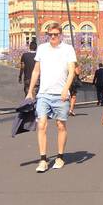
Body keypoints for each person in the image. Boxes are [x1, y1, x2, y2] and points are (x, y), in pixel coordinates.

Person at [27, 22, 76, 173]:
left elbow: (72, 71)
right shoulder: (42, 49)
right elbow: (36, 71)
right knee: (41, 124)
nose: (53, 37)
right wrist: (30, 91)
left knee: (60, 125)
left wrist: (65, 89)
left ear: (60, 34)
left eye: (55, 34)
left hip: (60, 95)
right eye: (50, 35)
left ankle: (60, 156)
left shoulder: (68, 49)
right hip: (44, 94)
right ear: (47, 35)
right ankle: (43, 159)